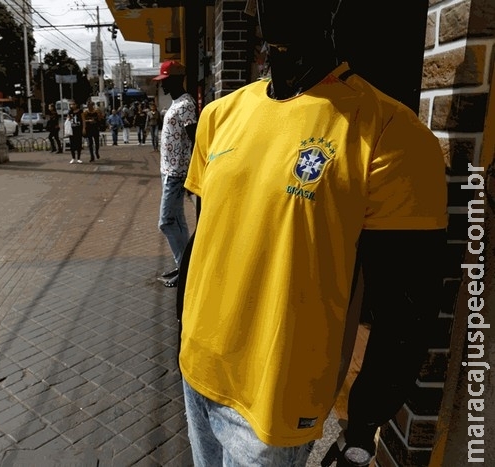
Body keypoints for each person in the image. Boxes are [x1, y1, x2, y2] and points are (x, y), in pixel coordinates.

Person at [176, 1, 448, 466]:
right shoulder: (219, 117)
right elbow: (205, 240)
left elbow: (408, 309)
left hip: (273, 403)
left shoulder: (390, 132)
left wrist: (363, 427)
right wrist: (182, 333)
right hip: (196, 373)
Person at [153, 60, 197, 288]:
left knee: (167, 222)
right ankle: (184, 267)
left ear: (176, 79)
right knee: (176, 220)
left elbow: (195, 139)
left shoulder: (186, 104)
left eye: (165, 80)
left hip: (177, 173)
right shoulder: (177, 103)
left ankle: (186, 269)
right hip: (168, 172)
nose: (162, 85)